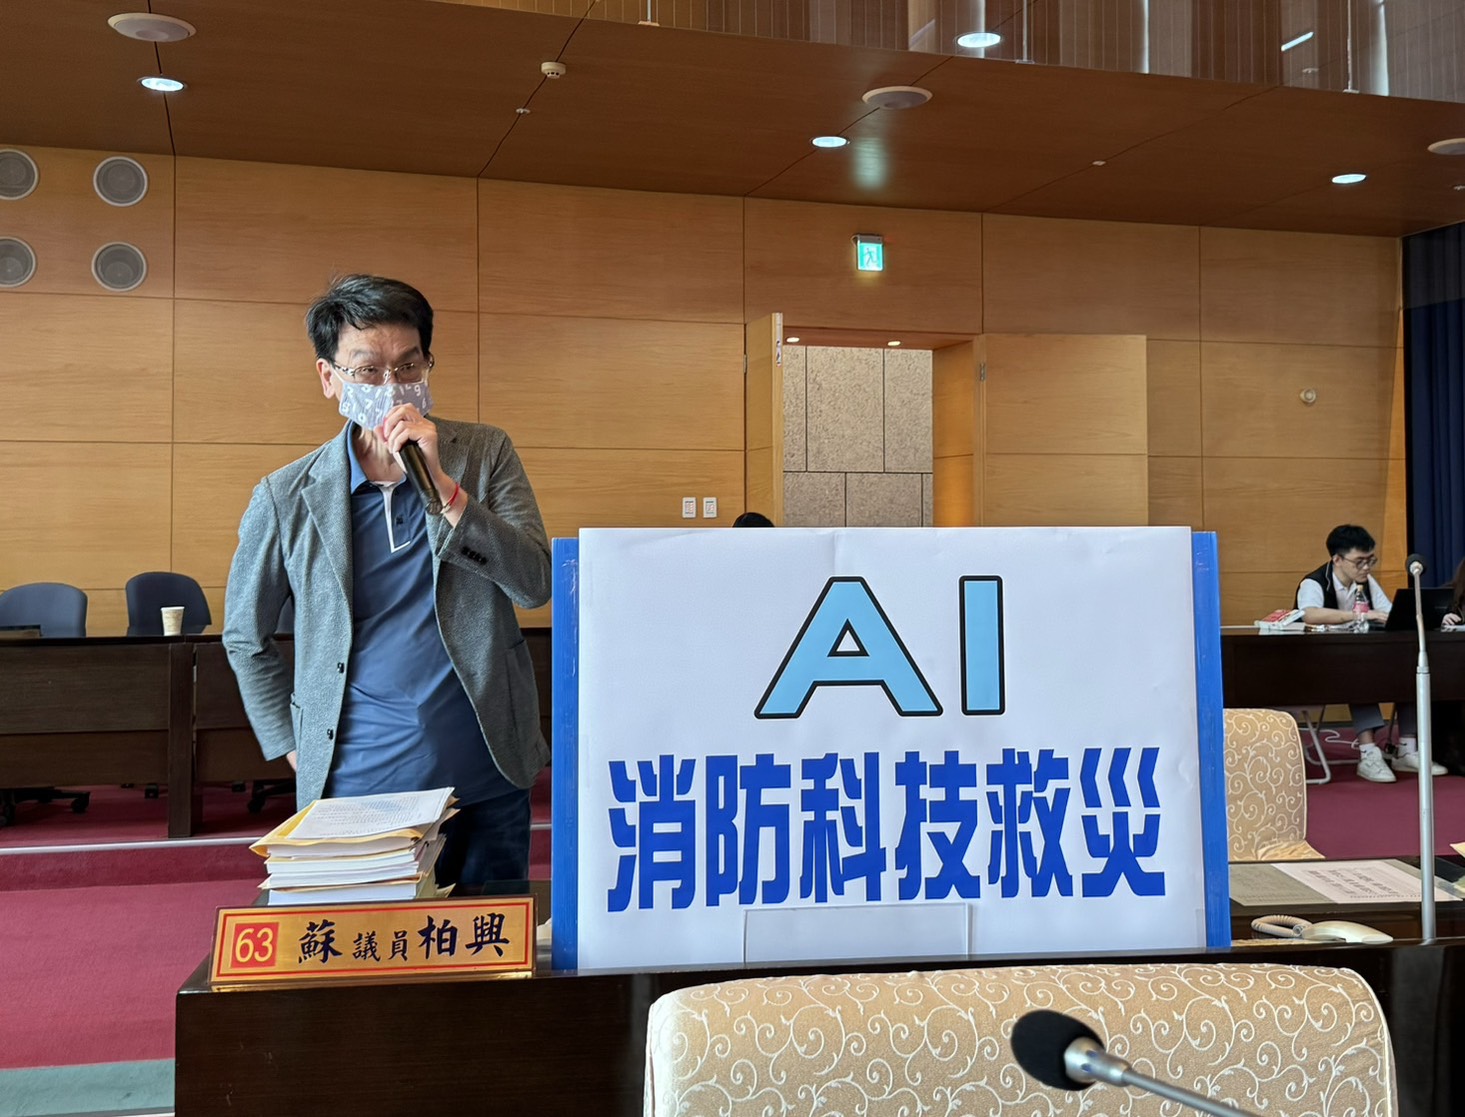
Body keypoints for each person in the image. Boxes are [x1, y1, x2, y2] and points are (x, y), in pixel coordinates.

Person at [223, 275, 552, 887]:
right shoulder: (286, 495)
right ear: (329, 378)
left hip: (487, 772)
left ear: (428, 365)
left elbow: (534, 584)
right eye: (367, 370)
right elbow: (245, 634)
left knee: (490, 942)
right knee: (377, 944)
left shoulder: (484, 454)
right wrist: (292, 742)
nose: (391, 386)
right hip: (355, 784)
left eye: (408, 366)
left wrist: (446, 490)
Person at [1294, 524, 1440, 781]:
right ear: (1337, 559)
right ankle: (1369, 753)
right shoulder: (1314, 582)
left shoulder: (1367, 583)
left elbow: (1388, 613)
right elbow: (1309, 614)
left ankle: (1407, 749)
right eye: (1359, 561)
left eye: (1370, 560)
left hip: (1358, 660)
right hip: (1318, 665)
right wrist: (1360, 615)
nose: (1366, 568)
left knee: (1408, 667)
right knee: (1360, 672)